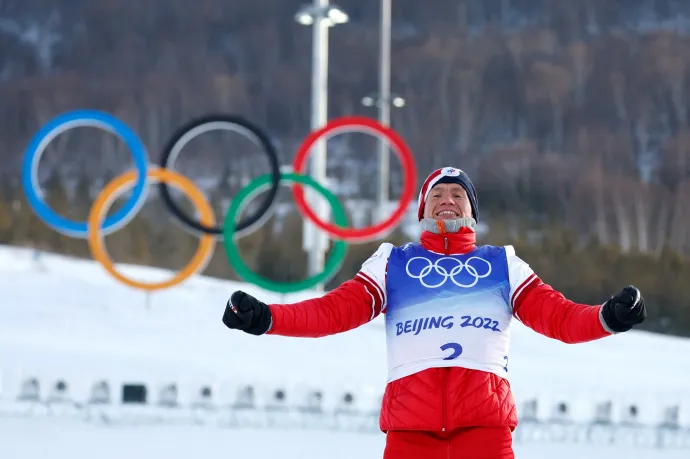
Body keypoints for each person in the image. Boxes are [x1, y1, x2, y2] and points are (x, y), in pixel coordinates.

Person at [221, 166, 647, 459]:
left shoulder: (502, 265)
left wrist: (610, 317)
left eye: (458, 195)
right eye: (437, 195)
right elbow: (334, 311)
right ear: (422, 210)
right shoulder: (392, 263)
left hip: (484, 430)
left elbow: (561, 319)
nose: (447, 200)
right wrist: (267, 318)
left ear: (471, 213)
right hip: (411, 433)